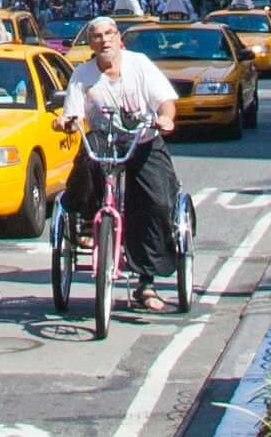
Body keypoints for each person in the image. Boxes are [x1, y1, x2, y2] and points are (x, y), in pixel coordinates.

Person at [57, 17, 183, 312]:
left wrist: (166, 117)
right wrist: (66, 120)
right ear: (91, 42)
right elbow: (72, 113)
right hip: (103, 139)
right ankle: (90, 221)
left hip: (142, 138)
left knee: (156, 201)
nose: (104, 40)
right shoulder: (82, 75)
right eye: (97, 36)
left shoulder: (139, 64)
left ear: (118, 38)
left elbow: (165, 100)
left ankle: (147, 282)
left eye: (109, 34)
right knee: (85, 168)